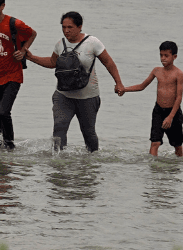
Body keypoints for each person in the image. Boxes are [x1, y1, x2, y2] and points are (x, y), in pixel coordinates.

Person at [27, 12, 125, 152]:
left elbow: (109, 63)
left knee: (88, 133)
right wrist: (31, 57)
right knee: (59, 128)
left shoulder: (92, 43)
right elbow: (52, 62)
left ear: (80, 27)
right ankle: (59, 163)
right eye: (63, 27)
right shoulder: (60, 44)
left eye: (70, 27)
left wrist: (118, 83)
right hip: (63, 96)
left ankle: (92, 163)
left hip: (88, 97)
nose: (66, 31)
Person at [0, 0, 37, 149]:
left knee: (3, 111)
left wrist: (24, 50)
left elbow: (33, 34)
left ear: (2, 6)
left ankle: (11, 146)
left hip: (13, 75)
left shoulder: (14, 23)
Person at [121, 41, 183, 157]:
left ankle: (177, 168)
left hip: (173, 113)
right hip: (158, 111)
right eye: (161, 55)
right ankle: (153, 171)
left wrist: (170, 117)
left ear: (174, 57)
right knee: (155, 142)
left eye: (166, 56)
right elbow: (142, 86)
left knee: (177, 145)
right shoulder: (157, 71)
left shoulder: (178, 73)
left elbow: (179, 97)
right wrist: (125, 89)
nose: (163, 58)